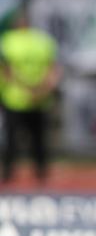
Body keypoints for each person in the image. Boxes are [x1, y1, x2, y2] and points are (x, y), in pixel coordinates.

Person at [0, 10, 61, 183]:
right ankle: (41, 177)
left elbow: (6, 71)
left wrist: (26, 89)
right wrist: (42, 89)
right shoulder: (44, 41)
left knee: (11, 142)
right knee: (39, 141)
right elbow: (53, 69)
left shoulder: (7, 41)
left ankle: (8, 177)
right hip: (40, 99)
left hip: (15, 99)